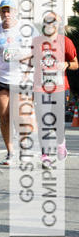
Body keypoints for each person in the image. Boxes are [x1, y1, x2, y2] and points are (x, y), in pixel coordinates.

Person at [0, 0, 35, 166]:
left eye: (9, 11)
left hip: (22, 78)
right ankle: (10, 152)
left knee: (21, 116)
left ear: (15, 12)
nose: (6, 14)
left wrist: (24, 62)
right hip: (0, 78)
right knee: (4, 116)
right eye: (3, 11)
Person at [33, 12, 78, 162]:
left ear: (58, 25)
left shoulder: (65, 42)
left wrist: (66, 64)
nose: (51, 25)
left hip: (60, 87)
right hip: (41, 87)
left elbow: (76, 64)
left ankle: (61, 144)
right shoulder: (36, 41)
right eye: (48, 22)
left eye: (54, 22)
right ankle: (44, 154)